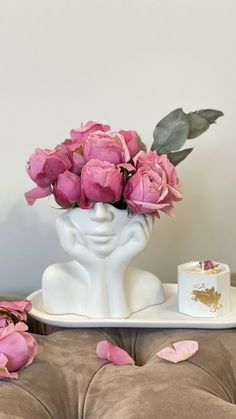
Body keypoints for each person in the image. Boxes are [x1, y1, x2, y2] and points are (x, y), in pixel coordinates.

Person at [42, 203, 166, 318]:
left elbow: (116, 322)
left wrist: (116, 267)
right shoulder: (57, 279)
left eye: (117, 204)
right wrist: (95, 268)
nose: (100, 216)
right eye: (86, 202)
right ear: (67, 218)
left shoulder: (150, 286)